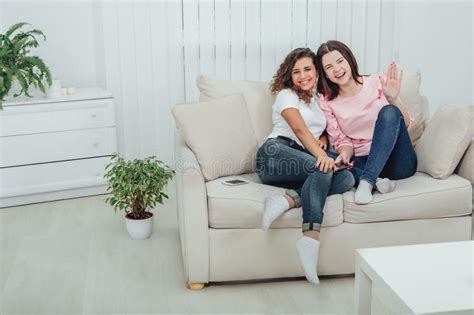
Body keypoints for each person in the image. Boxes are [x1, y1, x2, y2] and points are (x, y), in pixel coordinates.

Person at [255, 47, 355, 284]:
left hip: (302, 160)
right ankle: (310, 238)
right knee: (322, 166)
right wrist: (320, 155)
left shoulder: (320, 100)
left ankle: (288, 199)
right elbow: (299, 129)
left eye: (308, 69)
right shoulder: (286, 95)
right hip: (274, 154)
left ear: (317, 71)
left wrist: (323, 143)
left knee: (347, 179)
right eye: (296, 71)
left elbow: (322, 133)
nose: (303, 76)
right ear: (289, 76)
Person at [315, 40, 417, 205]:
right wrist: (344, 155)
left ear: (349, 60)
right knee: (314, 153)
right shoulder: (326, 100)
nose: (337, 69)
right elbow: (343, 141)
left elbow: (402, 124)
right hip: (361, 161)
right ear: (325, 74)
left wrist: (392, 98)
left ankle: (367, 181)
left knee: (389, 111)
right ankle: (375, 180)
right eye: (329, 67)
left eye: (340, 61)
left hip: (398, 161)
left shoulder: (378, 82)